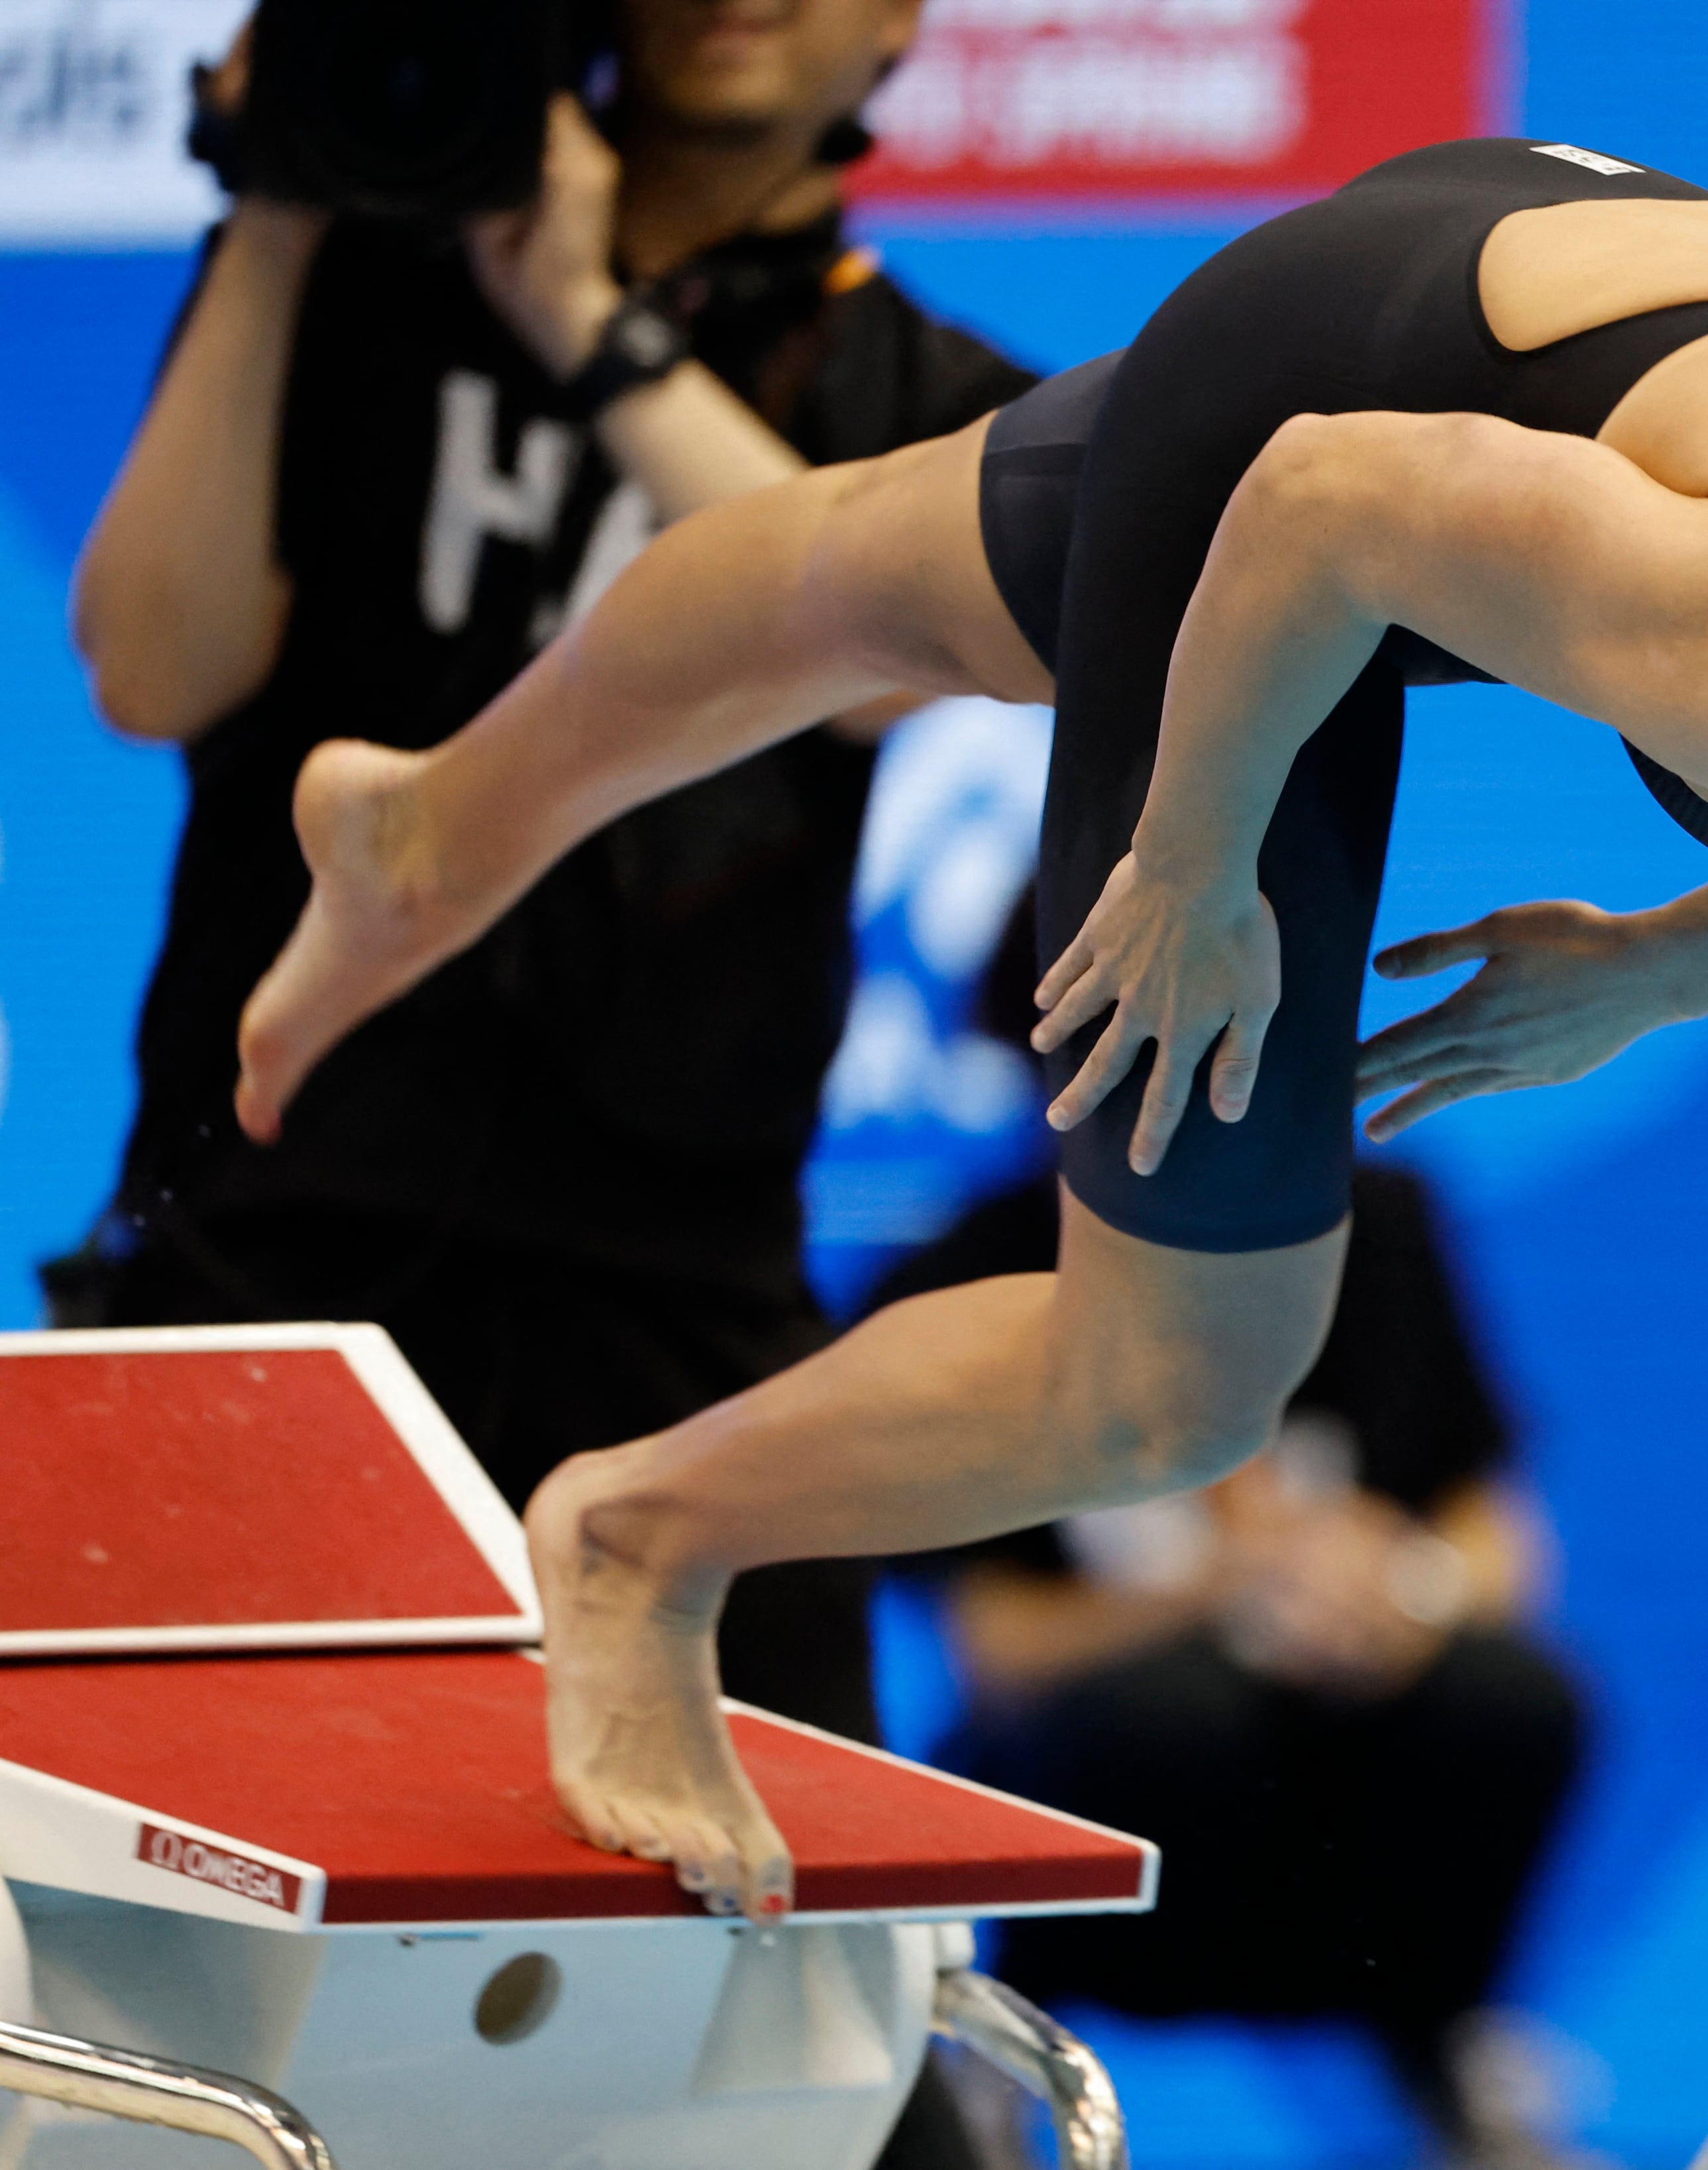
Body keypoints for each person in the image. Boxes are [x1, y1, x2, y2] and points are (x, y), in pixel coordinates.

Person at [221, 135, 1708, 1920]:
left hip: (1519, 325)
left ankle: (419, 825)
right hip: (1342, 419)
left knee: (883, 562)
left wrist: (1669, 959)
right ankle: (638, 1538)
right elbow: (1332, 498)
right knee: (1178, 1376)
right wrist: (1194, 863)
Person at [64, 0, 1035, 2076]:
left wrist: (592, 324)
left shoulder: (924, 393)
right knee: (123, 1998)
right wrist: (280, 212)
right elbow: (152, 666)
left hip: (682, 1329)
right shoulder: (354, 298)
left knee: (788, 2030)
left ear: (904, 27)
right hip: (266, 1266)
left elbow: (879, 651)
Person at [882, 1121, 1585, 2164]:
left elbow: (1504, 1551)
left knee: (1515, 1699)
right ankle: (999, 2065)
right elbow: (998, 1646)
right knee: (1165, 1718)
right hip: (1137, 1747)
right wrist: (1227, 1590)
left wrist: (1396, 1592)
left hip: (1350, 1737)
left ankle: (1448, 2044)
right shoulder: (966, 1265)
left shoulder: (1383, 1228)